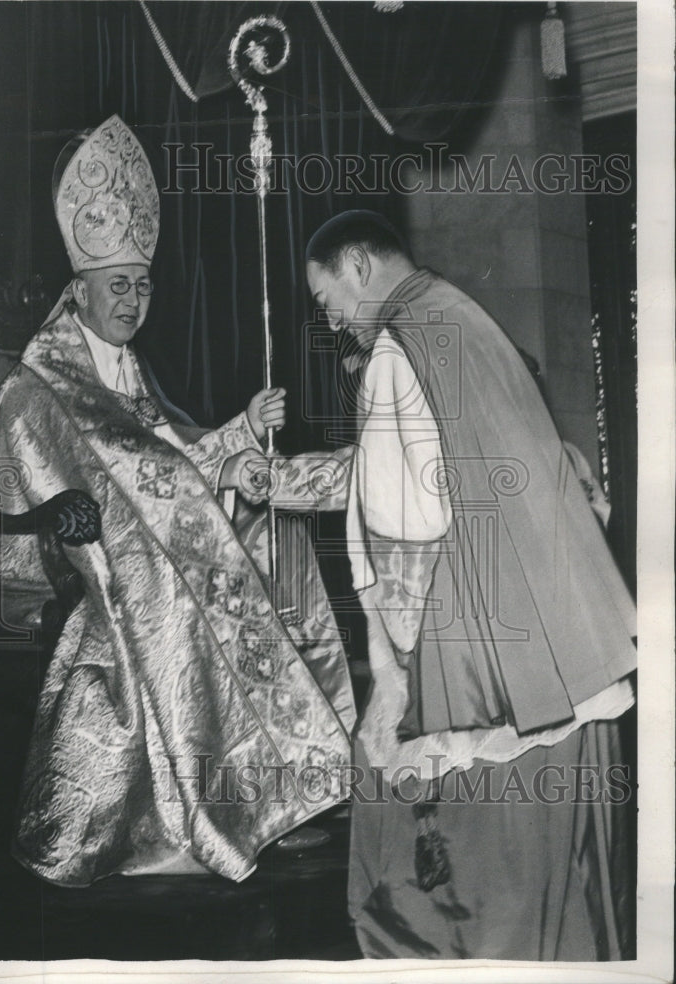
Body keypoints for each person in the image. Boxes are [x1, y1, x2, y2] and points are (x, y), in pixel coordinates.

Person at [0, 116, 355, 886]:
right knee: (180, 587)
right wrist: (194, 475)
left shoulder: (127, 364)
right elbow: (44, 500)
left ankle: (303, 771)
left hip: (152, 536)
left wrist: (243, 431)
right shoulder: (37, 386)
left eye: (143, 284)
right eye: (120, 285)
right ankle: (232, 804)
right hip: (79, 561)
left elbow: (165, 460)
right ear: (79, 288)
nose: (135, 299)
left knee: (271, 529)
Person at [271, 210, 636, 960]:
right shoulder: (463, 317)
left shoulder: (394, 349)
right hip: (566, 648)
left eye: (325, 297)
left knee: (438, 866)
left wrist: (398, 671)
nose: (330, 318)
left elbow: (400, 519)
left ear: (361, 269)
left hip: (478, 645)